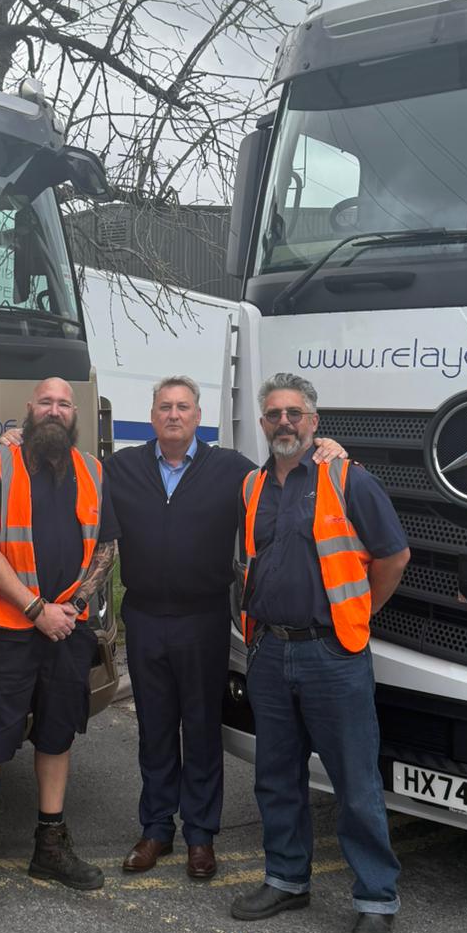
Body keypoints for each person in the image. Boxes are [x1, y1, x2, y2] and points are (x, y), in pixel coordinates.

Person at [100, 377, 348, 880]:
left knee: (201, 728)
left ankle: (200, 835)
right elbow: (68, 473)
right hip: (144, 619)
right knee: (154, 728)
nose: (173, 415)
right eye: (165, 407)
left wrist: (329, 450)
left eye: (183, 407)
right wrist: (17, 438)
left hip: (204, 618)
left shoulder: (232, 470)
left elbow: (287, 472)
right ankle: (155, 828)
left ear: (198, 417)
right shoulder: (120, 468)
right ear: (152, 416)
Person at [230, 371, 410, 933]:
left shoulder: (347, 477)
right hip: (269, 650)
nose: (284, 422)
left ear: (313, 421)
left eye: (294, 413)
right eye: (273, 414)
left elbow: (394, 556)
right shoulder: (254, 485)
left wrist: (358, 613)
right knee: (276, 776)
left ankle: (376, 900)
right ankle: (286, 881)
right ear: (263, 423)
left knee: (355, 784)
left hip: (333, 655)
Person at [0, 378, 119, 919]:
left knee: (57, 732)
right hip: (5, 629)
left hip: (67, 628)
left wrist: (72, 606)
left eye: (64, 403)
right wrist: (36, 609)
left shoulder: (92, 470)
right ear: (30, 409)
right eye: (46, 402)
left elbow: (106, 546)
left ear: (74, 413)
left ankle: (50, 846)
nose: (55, 410)